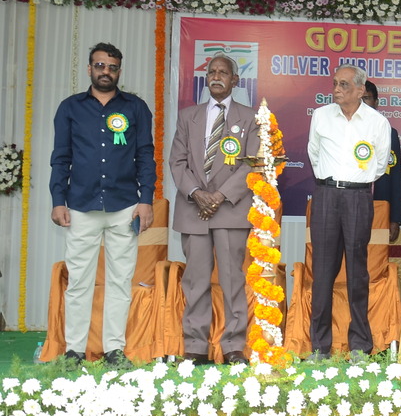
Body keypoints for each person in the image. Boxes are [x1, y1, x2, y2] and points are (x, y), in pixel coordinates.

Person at [49, 43, 155, 367]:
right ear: (89, 69)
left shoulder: (135, 108)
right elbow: (61, 158)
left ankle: (114, 351)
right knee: (79, 281)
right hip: (80, 206)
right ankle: (74, 351)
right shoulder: (70, 108)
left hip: (124, 205)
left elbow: (145, 157)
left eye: (111, 67)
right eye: (99, 65)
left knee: (120, 281)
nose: (105, 71)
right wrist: (57, 201)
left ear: (119, 71)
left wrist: (146, 200)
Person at [169, 55, 258, 364]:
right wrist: (197, 194)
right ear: (206, 78)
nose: (216, 76)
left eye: (223, 72)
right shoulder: (187, 117)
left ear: (235, 80)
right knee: (195, 281)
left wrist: (219, 196)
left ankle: (233, 345)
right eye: (212, 72)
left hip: (230, 210)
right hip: (193, 209)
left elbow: (252, 164)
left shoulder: (250, 117)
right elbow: (177, 162)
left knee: (232, 280)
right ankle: (195, 346)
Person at [307, 65, 391, 358]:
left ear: (360, 89)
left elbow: (379, 165)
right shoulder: (321, 116)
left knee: (357, 272)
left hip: (358, 196)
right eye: (334, 83)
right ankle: (319, 347)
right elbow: (314, 154)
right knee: (322, 272)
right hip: (326, 194)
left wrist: (355, 181)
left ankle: (359, 345)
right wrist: (332, 182)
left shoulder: (377, 122)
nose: (336, 89)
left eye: (343, 84)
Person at [363, 81, 401, 250]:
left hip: (381, 209)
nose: (362, 103)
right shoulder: (345, 132)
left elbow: (395, 177)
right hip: (352, 207)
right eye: (359, 99)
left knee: (378, 257)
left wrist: (395, 219)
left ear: (376, 102)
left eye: (366, 98)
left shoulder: (389, 133)